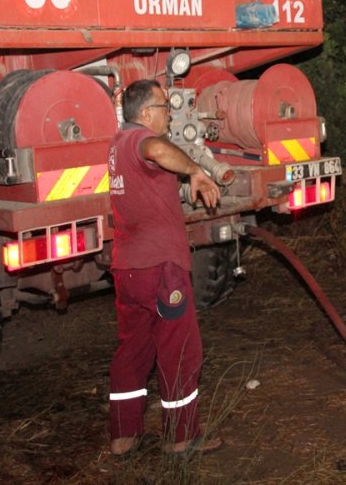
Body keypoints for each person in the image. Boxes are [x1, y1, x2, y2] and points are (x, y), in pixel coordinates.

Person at [107, 79, 223, 456]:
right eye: (164, 107)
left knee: (134, 349)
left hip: (128, 269)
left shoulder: (116, 145)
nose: (170, 113)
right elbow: (157, 148)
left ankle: (124, 436)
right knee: (180, 349)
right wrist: (194, 170)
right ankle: (181, 437)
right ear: (144, 114)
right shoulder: (142, 140)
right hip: (161, 269)